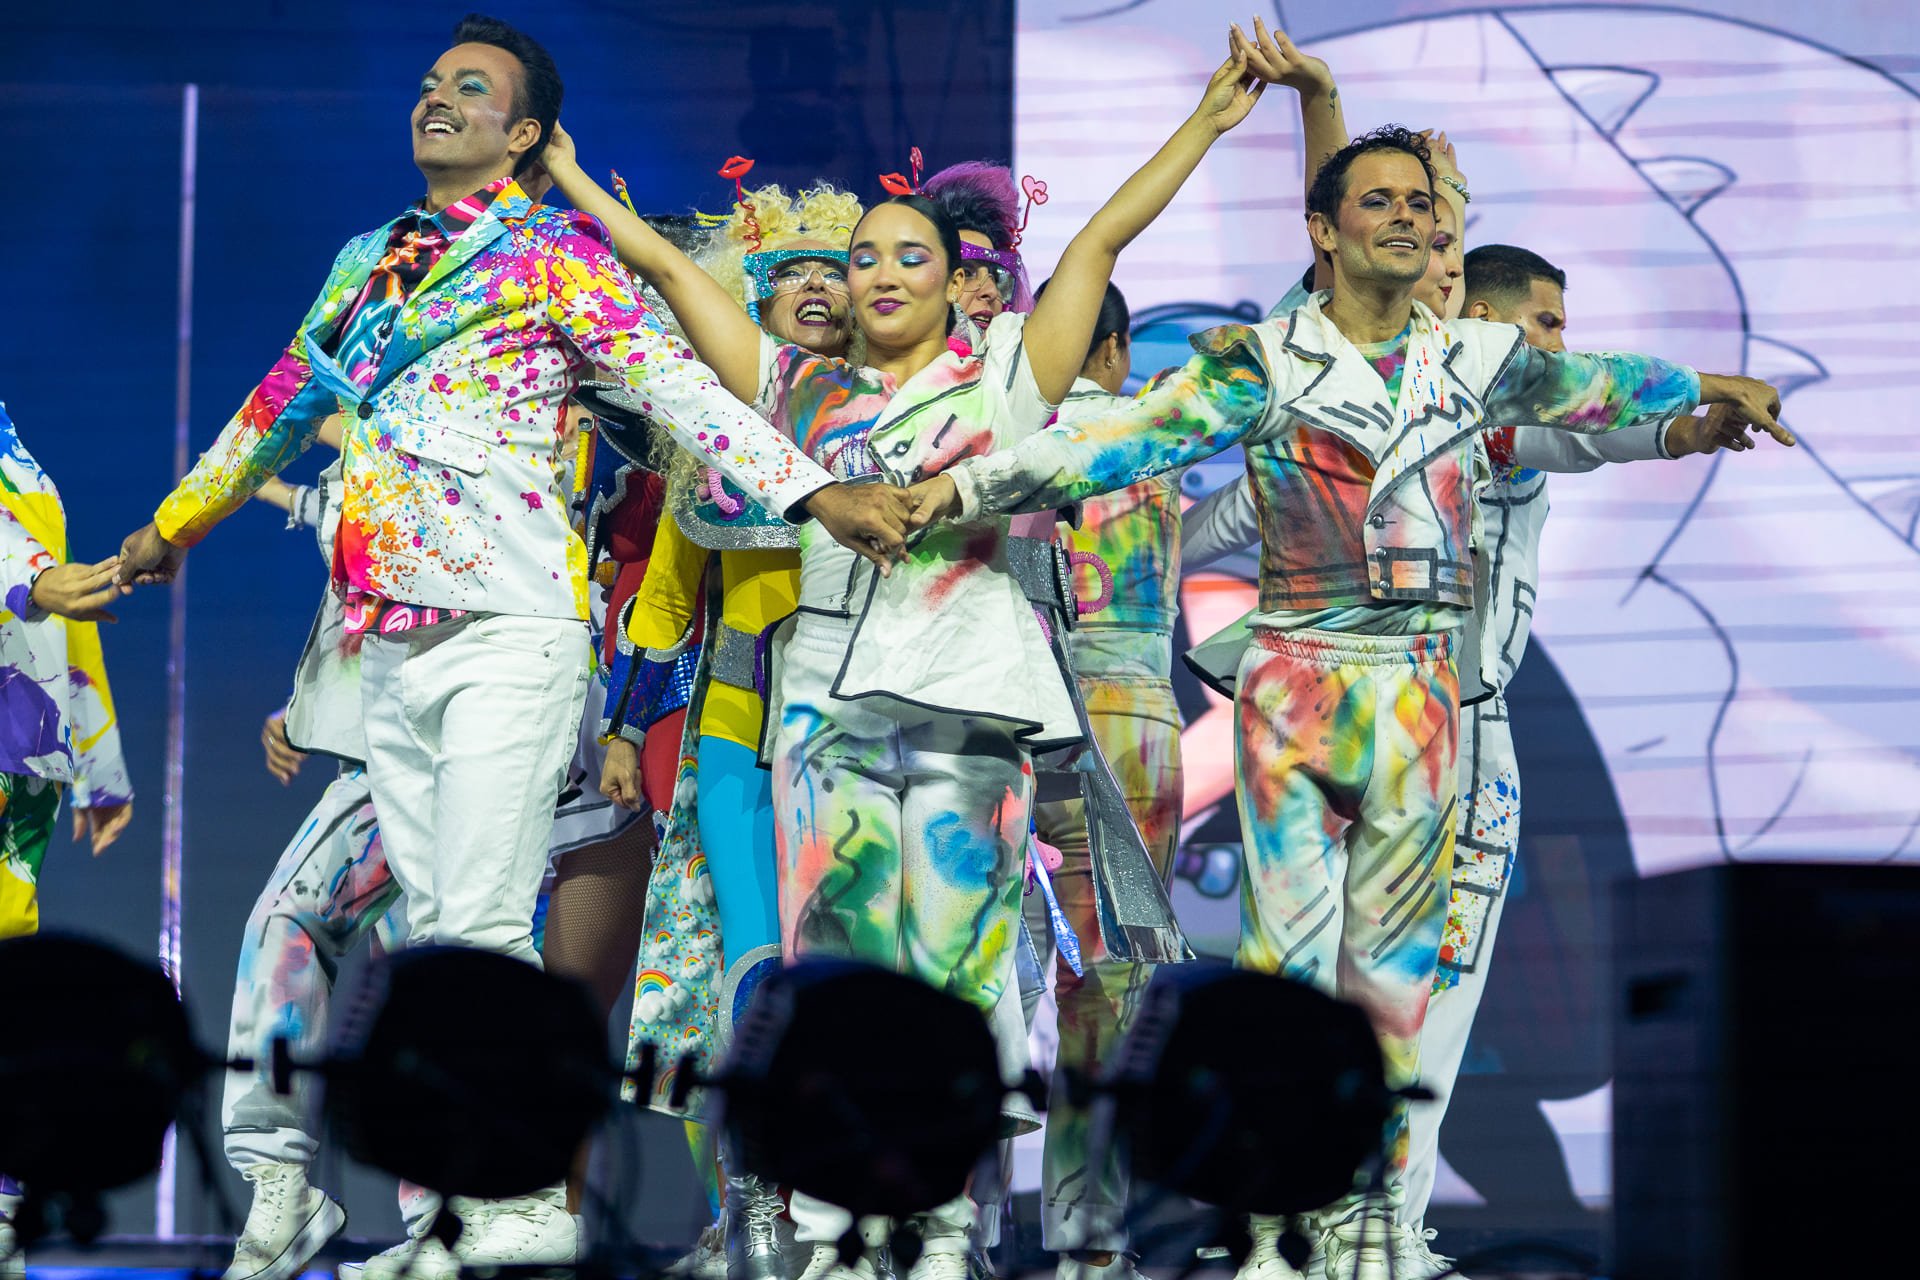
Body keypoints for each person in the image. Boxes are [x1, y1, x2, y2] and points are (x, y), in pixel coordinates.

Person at [907, 98, 1788, 1279]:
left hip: (1421, 691)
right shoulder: (1264, 359)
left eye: (1422, 203)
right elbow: (1115, 445)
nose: (1410, 218)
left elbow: (1595, 382)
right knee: (1289, 968)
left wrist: (1707, 381)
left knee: (1397, 970)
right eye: (1379, 200)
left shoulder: (1474, 357)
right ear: (1321, 232)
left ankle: (1366, 1214)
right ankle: (1274, 1221)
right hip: (1300, 682)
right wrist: (968, 488)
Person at [112, 14, 910, 1274]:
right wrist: (167, 529)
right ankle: (462, 1205)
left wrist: (814, 493)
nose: (437, 100)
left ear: (524, 133)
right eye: (430, 85)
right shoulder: (368, 261)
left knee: (479, 923)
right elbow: (280, 401)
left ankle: (520, 1199)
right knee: (433, 933)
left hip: (511, 630)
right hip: (393, 641)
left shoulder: (554, 257)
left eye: (469, 90)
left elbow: (682, 390)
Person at [556, 35, 1271, 1280]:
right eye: (866, 256)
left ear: (955, 282)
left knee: (953, 971)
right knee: (839, 968)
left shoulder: (1003, 380)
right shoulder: (800, 391)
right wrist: (569, 176)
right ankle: (837, 1224)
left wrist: (1210, 125)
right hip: (825, 713)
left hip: (971, 714)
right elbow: (671, 269)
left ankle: (941, 1225)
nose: (882, 271)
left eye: (911, 255)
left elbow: (1099, 244)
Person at [548, 147, 866, 1280]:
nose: (821, 290)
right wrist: (630, 731)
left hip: (858, 735)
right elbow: (666, 604)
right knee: (752, 967)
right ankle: (753, 1203)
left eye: (841, 271)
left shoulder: (902, 419)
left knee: (852, 966)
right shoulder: (716, 441)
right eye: (796, 278)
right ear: (757, 300)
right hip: (735, 727)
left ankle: (862, 1211)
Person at [1023, 281, 1187, 1280]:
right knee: (1108, 989)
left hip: (1013, 711)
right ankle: (1089, 1240)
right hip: (1128, 717)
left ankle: (951, 1232)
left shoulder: (1000, 426)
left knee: (987, 972)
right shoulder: (1156, 432)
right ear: (1118, 348)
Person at [0, 398, 134, 1280]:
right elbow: (36, 575)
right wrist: (28, 576)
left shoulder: (10, 440)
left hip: (18, 752)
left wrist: (97, 753)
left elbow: (62, 588)